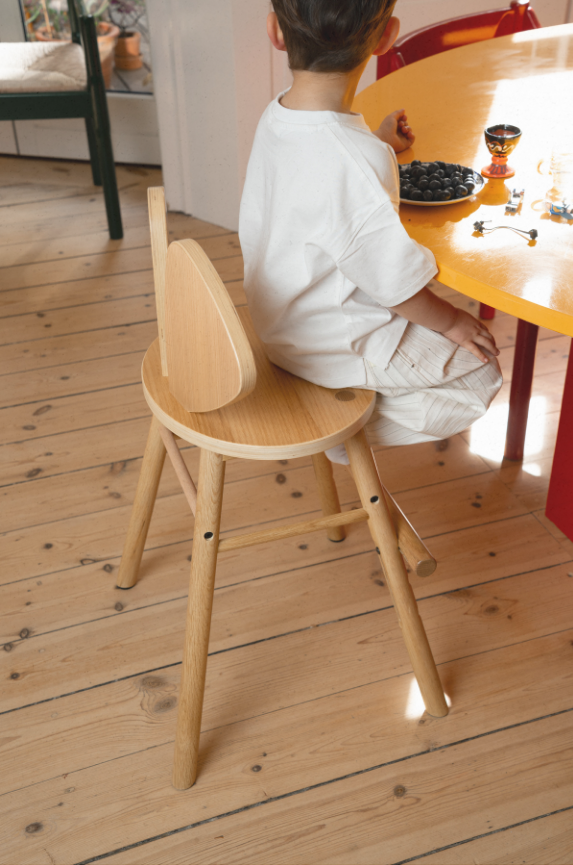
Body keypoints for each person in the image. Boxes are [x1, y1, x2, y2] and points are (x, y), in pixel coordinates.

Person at [238, 0, 502, 464]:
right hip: (332, 345)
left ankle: (346, 411)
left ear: (275, 32)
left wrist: (376, 145)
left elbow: (322, 179)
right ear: (387, 37)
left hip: (279, 323)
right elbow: (395, 285)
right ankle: (341, 432)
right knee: (481, 379)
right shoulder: (356, 161)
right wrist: (454, 322)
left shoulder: (277, 116)